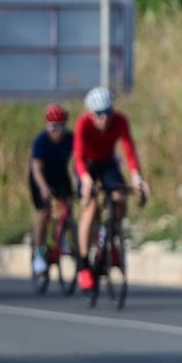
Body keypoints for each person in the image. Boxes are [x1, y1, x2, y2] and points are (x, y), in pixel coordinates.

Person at [72, 86, 148, 288]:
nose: (104, 118)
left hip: (107, 163)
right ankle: (84, 264)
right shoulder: (83, 124)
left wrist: (137, 178)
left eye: (107, 112)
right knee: (90, 207)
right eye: (99, 114)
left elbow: (129, 151)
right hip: (86, 165)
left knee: (121, 197)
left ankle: (110, 234)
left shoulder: (120, 121)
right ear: (91, 113)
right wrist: (86, 180)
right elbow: (78, 156)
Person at [28, 104, 76, 274]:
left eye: (61, 126)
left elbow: (79, 159)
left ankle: (62, 234)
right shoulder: (41, 141)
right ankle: (39, 251)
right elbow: (36, 169)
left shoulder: (71, 138)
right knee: (44, 211)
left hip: (60, 174)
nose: (58, 132)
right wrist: (43, 188)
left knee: (68, 204)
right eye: (54, 127)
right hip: (40, 177)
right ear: (48, 126)